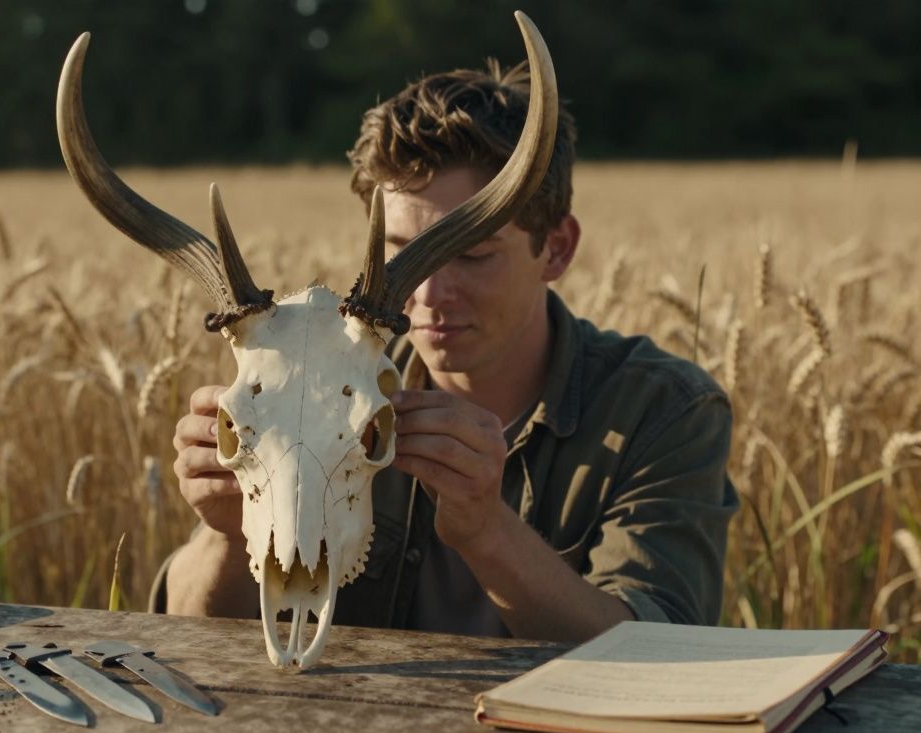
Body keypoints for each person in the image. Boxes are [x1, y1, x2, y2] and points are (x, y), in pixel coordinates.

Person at [151, 60, 738, 642]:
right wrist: (228, 532)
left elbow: (662, 654)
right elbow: (192, 636)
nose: (427, 296)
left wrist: (487, 532)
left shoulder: (663, 412)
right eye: (401, 254)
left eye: (475, 254)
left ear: (556, 250)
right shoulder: (310, 392)